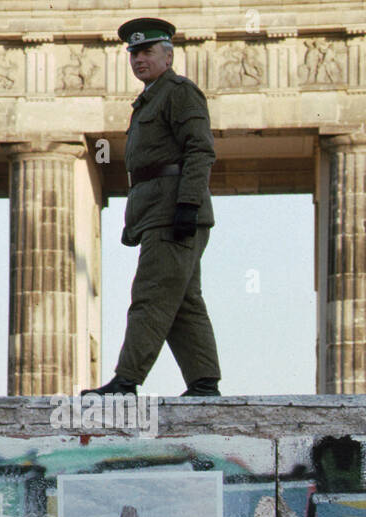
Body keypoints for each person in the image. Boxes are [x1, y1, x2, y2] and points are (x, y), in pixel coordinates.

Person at [82, 17, 222, 398]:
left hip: (174, 211)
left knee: (151, 294)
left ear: (168, 55)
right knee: (182, 301)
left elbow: (199, 149)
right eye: (134, 53)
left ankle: (126, 380)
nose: (139, 59)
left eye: (146, 52)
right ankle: (204, 382)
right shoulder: (151, 98)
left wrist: (188, 205)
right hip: (158, 212)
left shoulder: (179, 92)